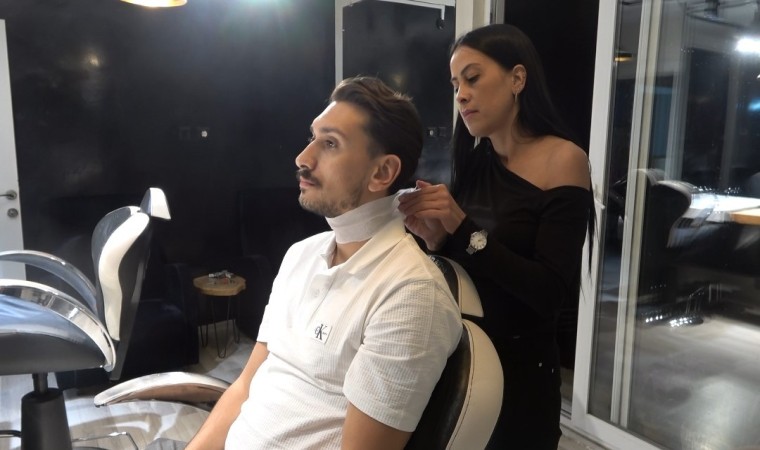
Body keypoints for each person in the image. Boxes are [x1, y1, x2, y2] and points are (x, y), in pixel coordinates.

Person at [184, 76, 462, 450]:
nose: (303, 158)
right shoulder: (300, 256)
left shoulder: (411, 294)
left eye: (330, 144)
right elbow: (246, 386)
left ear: (382, 173)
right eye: (312, 137)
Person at [397, 23, 594, 449]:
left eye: (472, 78)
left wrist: (463, 227)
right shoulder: (476, 160)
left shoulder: (563, 160)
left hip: (524, 370)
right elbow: (473, 264)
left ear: (517, 79)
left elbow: (549, 293)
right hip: (463, 356)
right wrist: (437, 239)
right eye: (456, 85)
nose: (461, 95)